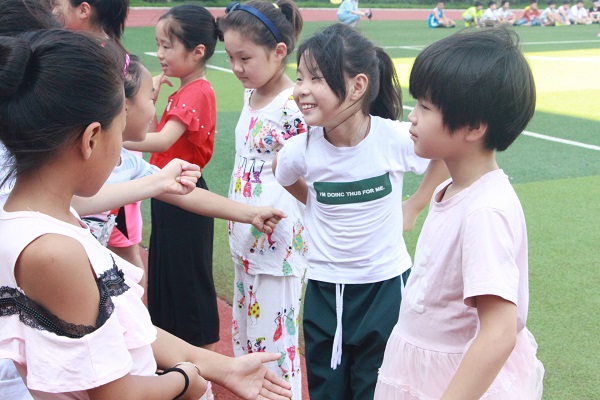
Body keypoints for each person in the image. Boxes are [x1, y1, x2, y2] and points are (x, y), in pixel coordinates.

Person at [0, 28, 293, 400]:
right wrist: (187, 379)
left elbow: (127, 330)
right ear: (92, 139)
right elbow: (116, 395)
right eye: (120, 131)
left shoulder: (45, 221)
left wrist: (222, 367)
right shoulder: (54, 251)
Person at [273, 23, 448, 400]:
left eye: (316, 78)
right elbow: (283, 173)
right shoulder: (300, 150)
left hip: (385, 286)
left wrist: (414, 205)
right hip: (325, 289)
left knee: (378, 389)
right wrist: (314, 202)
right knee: (328, 390)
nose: (301, 89)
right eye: (300, 77)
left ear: (357, 86)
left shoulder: (393, 138)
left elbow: (444, 155)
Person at [374, 26, 545, 400]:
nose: (412, 117)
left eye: (425, 107)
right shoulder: (453, 188)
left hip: (447, 382)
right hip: (421, 367)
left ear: (473, 127)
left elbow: (499, 332)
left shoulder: (485, 210)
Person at [218, 1, 308, 398]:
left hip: (276, 245)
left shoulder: (292, 105)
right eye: (230, 57)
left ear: (278, 52)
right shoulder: (251, 94)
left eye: (245, 58)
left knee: (275, 348)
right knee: (248, 342)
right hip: (245, 239)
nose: (236, 67)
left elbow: (309, 173)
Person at [123, 5, 222, 362]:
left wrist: (113, 137)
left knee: (188, 280)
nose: (160, 54)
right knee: (169, 275)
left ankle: (202, 363)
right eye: (158, 45)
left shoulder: (197, 92)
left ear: (197, 52)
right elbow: (156, 140)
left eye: (167, 46)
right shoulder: (183, 91)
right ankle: (178, 360)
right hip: (168, 191)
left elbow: (163, 141)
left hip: (187, 193)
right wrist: (150, 101)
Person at [52, 0, 148, 274]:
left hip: (98, 160)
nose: (54, 10)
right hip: (89, 163)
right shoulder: (97, 55)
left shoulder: (92, 59)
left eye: (58, 4)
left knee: (120, 253)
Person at [52, 0, 128, 50]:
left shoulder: (82, 59)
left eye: (57, 5)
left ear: (83, 10)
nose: (53, 11)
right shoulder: (113, 52)